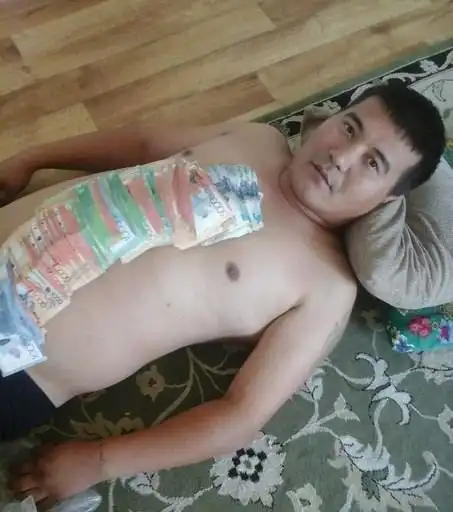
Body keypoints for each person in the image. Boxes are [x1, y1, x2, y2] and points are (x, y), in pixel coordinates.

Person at [0, 82, 445, 510]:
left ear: (387, 200)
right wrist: (32, 158)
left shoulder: (325, 287)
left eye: (373, 163)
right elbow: (144, 142)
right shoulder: (257, 140)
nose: (342, 157)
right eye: (349, 128)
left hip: (20, 369)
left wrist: (99, 461)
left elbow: (241, 416)